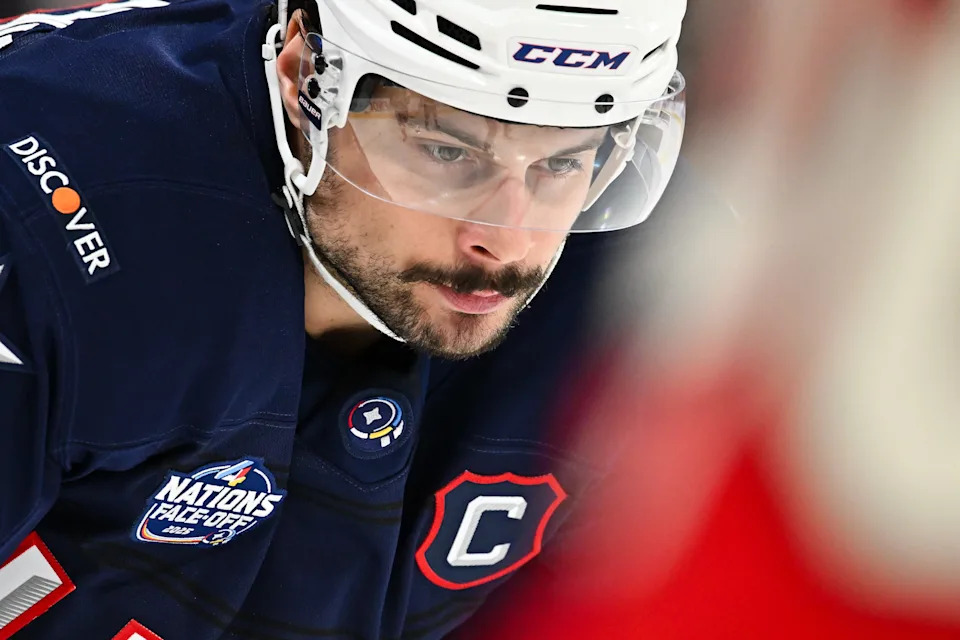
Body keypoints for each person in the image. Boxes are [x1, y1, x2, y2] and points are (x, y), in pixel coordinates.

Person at [0, 0, 687, 637]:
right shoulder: (46, 220)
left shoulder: (650, 296)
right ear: (304, 81)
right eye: (449, 152)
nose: (507, 240)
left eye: (563, 162)